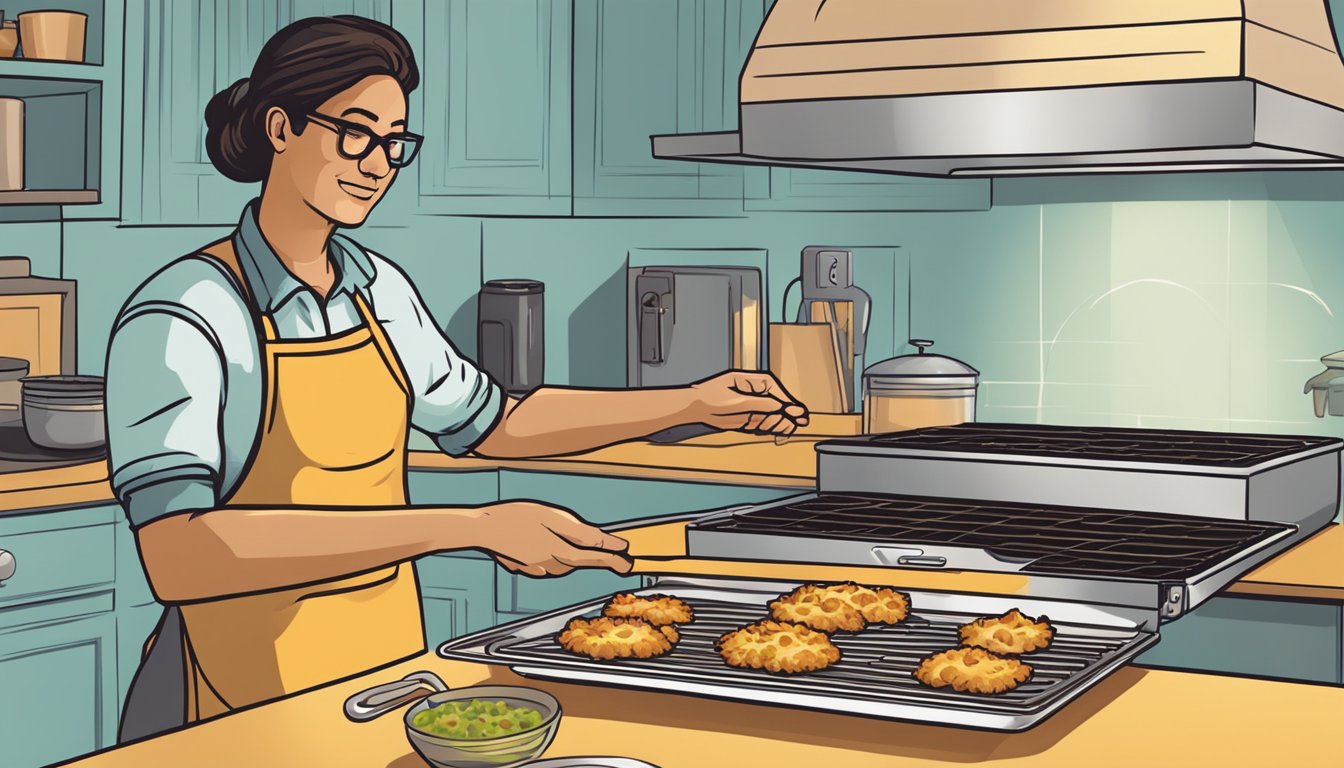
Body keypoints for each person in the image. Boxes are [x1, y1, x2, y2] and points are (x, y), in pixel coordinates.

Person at [108, 15, 807, 742]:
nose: (377, 162)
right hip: (241, 703)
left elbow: (495, 422)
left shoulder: (376, 289)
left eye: (394, 142)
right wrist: (470, 527)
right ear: (280, 127)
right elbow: (181, 555)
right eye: (355, 131)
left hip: (380, 683)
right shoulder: (187, 311)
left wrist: (690, 401)